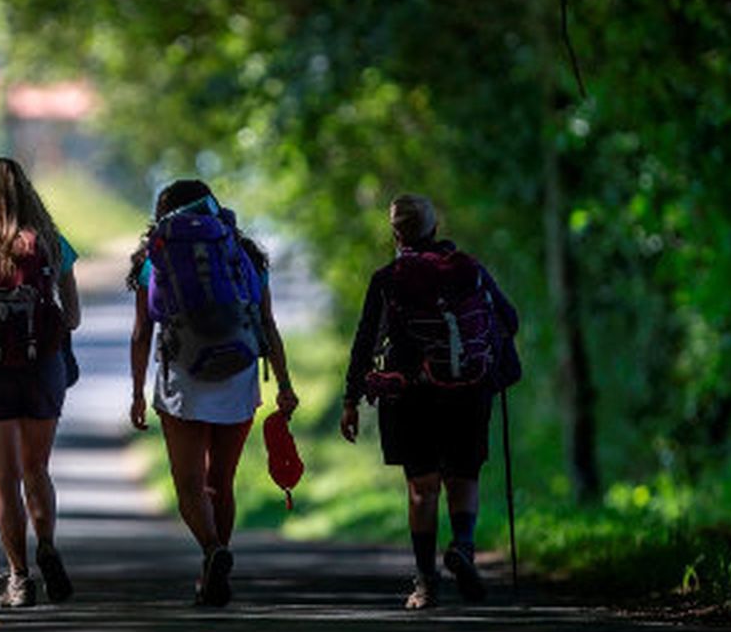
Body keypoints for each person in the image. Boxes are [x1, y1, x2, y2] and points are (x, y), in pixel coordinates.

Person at [340, 194, 519, 609]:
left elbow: (365, 342)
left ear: (395, 233)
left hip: (410, 394)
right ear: (434, 229)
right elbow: (509, 319)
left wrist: (351, 399)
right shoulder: (469, 269)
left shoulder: (388, 279)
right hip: (469, 389)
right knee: (463, 476)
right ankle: (463, 547)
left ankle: (425, 584)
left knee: (422, 488)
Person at [128, 179, 297, 607]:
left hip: (182, 376)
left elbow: (142, 332)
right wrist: (284, 384)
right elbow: (267, 323)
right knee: (221, 480)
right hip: (239, 374)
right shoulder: (243, 254)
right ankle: (214, 570)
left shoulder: (156, 255)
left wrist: (136, 393)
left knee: (189, 485)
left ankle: (211, 551)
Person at [0, 157, 81, 608]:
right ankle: (47, 545)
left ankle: (19, 579)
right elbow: (73, 317)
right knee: (36, 468)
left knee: (4, 479)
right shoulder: (50, 241)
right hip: (41, 368)